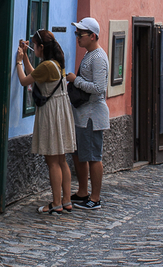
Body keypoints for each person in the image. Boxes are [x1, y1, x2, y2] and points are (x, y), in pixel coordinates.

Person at [15, 29, 76, 215]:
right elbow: (36, 74)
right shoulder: (56, 63)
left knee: (52, 162)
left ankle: (56, 202)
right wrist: (26, 56)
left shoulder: (47, 65)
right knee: (62, 160)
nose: (33, 48)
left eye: (34, 45)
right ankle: (66, 200)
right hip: (62, 112)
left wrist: (18, 61)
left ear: (41, 47)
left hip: (51, 114)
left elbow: (25, 80)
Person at [66, 17, 109, 210]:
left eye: (80, 34)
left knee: (93, 156)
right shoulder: (89, 54)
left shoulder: (98, 57)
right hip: (83, 114)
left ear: (92, 36)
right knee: (80, 154)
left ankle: (96, 197)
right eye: (77, 33)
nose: (77, 37)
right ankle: (83, 192)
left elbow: (99, 87)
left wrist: (76, 81)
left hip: (93, 114)